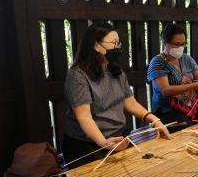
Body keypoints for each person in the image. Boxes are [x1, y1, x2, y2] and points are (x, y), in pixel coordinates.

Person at [62, 21, 172, 169]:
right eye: (113, 43)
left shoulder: (116, 72)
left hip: (117, 137)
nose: (117, 48)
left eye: (118, 43)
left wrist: (155, 121)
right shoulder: (78, 75)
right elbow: (84, 116)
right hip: (86, 144)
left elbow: (131, 104)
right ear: (96, 46)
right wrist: (103, 142)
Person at [147, 23, 198, 133]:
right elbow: (165, 90)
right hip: (166, 112)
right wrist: (194, 86)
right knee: (186, 129)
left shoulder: (186, 59)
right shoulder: (158, 62)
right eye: (176, 44)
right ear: (165, 43)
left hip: (190, 109)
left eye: (183, 44)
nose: (180, 48)